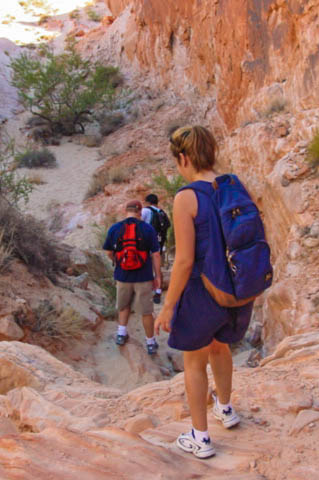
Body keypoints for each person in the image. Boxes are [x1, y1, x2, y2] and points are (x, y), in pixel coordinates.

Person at [154, 126, 254, 459]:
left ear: (183, 158)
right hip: (236, 288)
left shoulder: (187, 197)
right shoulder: (234, 185)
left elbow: (183, 261)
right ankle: (226, 409)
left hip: (202, 290)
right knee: (220, 348)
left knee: (194, 363)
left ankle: (200, 438)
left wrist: (168, 306)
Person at [103, 200, 162, 355]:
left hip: (122, 276)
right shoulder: (148, 229)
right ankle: (150, 343)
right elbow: (155, 255)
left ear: (125, 211)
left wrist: (117, 261)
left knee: (124, 305)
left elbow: (108, 251)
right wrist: (158, 277)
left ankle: (121, 334)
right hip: (144, 276)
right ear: (140, 212)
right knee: (146, 311)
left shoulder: (115, 228)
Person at [141, 193, 170, 304]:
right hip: (160, 245)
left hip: (147, 246)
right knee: (157, 269)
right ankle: (158, 292)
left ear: (148, 202)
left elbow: (137, 223)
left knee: (145, 268)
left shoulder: (146, 211)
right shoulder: (161, 212)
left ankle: (145, 292)